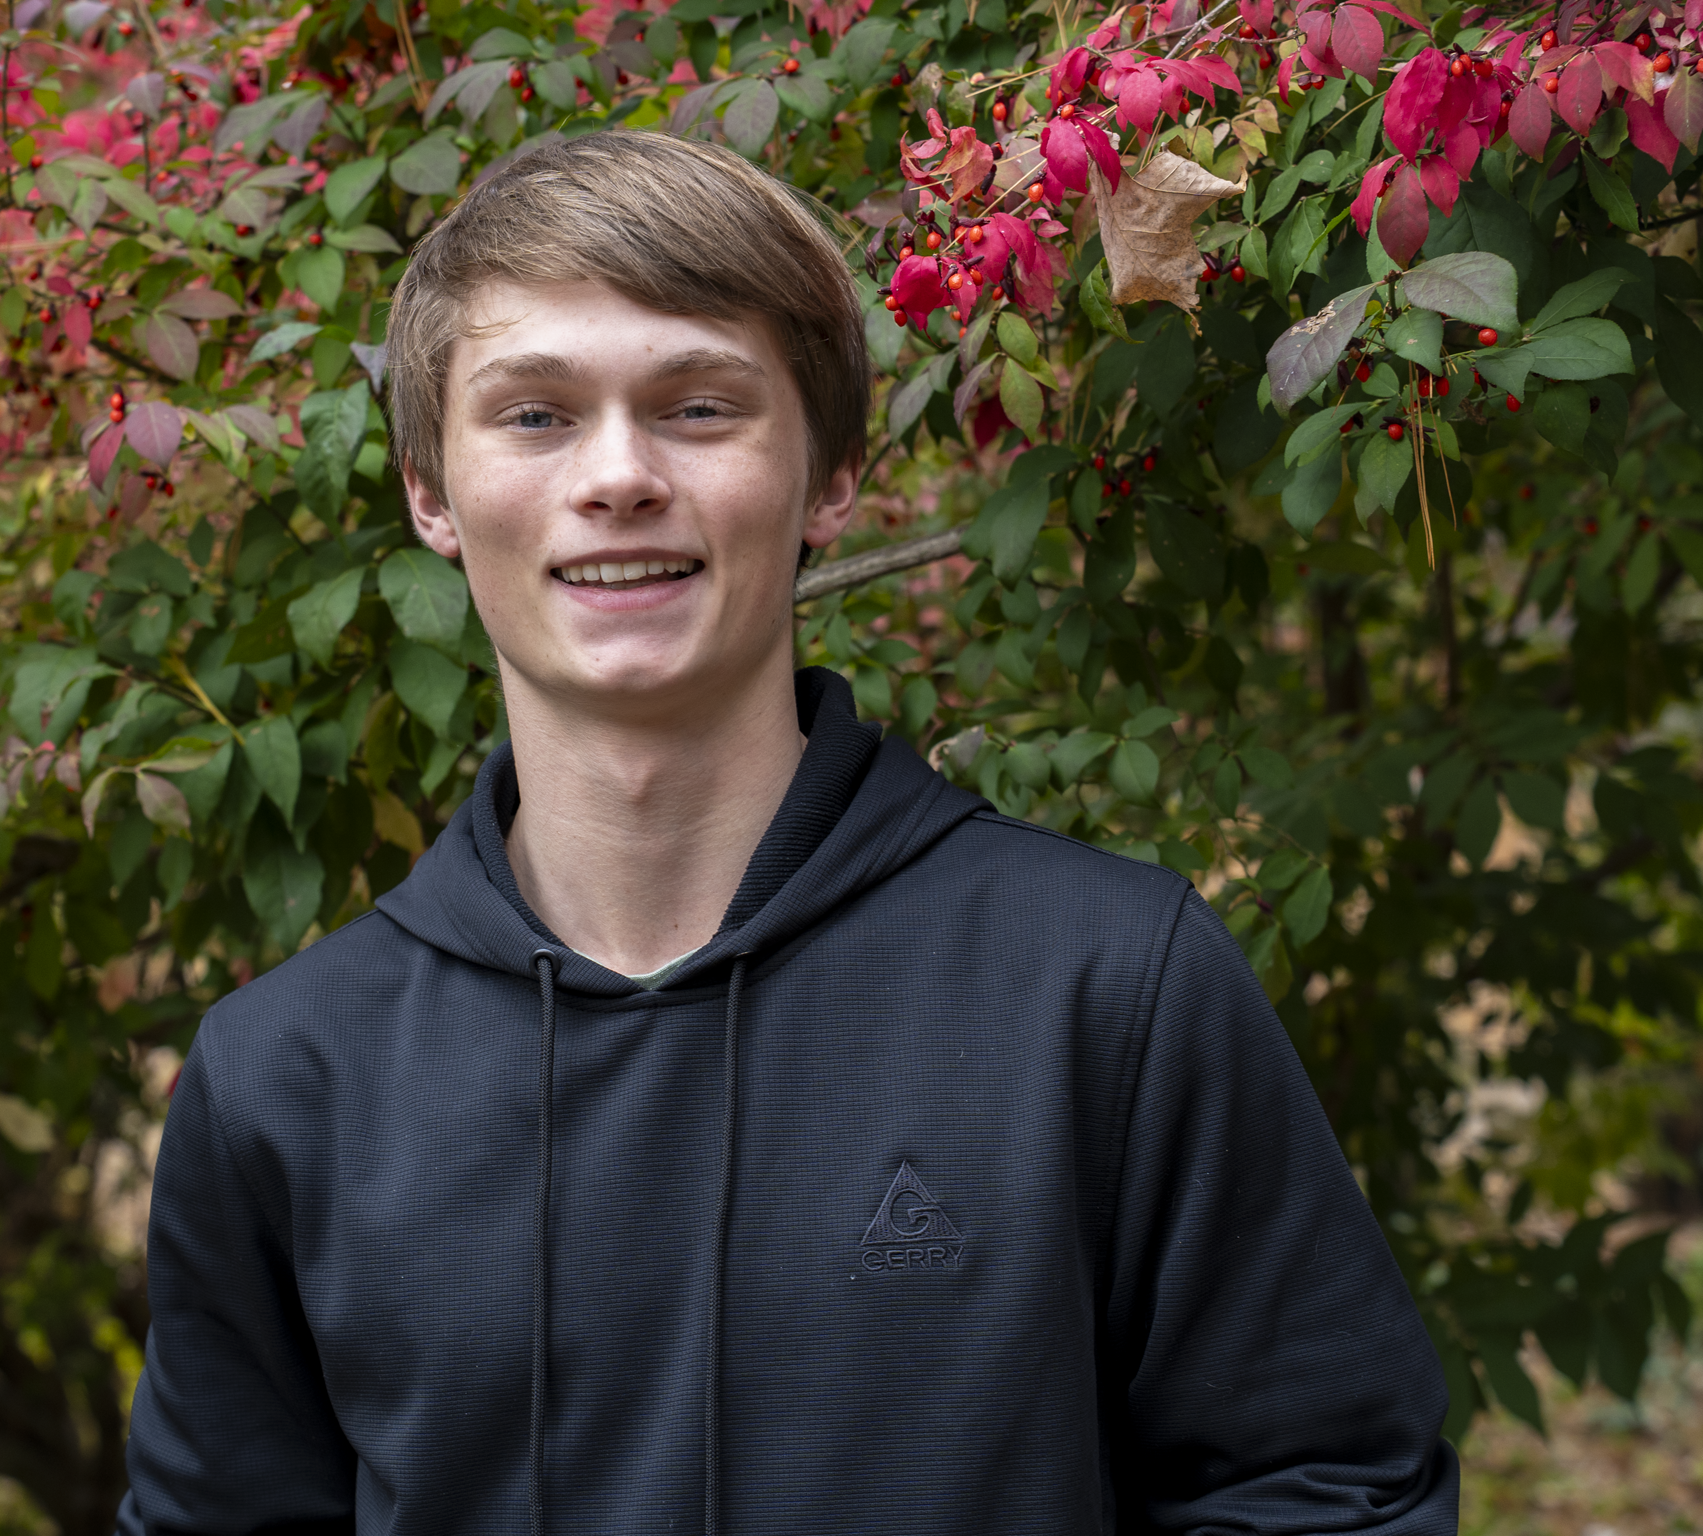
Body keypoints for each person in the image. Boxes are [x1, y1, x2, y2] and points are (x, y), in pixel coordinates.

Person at [116, 131, 1458, 1535]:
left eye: (700, 407)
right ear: (431, 495)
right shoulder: (286, 1075)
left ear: (831, 481)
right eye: (535, 416)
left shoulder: (1107, 985)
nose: (618, 475)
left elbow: (1333, 1495)